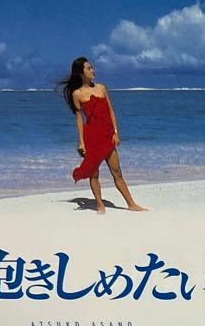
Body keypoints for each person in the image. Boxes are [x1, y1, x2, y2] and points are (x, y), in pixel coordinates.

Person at [58, 57, 146, 213]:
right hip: (91, 137)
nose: (93, 70)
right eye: (89, 68)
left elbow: (111, 111)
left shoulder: (102, 88)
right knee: (94, 174)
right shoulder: (77, 94)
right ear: (81, 73)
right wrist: (82, 142)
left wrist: (116, 132)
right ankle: (100, 205)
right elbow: (79, 119)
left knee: (117, 171)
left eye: (92, 67)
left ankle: (131, 204)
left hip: (107, 136)